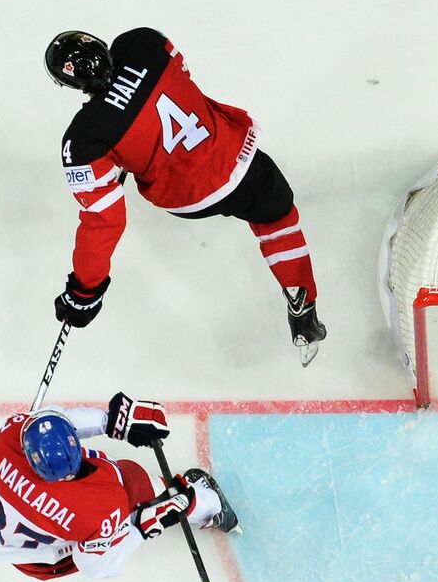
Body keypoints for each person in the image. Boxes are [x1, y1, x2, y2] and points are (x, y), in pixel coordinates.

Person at [44, 29, 327, 365]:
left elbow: (105, 222)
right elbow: (182, 77)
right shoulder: (143, 43)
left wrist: (84, 291)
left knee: (255, 202)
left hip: (187, 199)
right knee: (275, 213)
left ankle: (297, 291)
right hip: (231, 156)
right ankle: (300, 297)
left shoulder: (84, 139)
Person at [0, 393, 238, 581]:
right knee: (134, 481)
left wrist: (111, 421)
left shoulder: (9, 439)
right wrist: (142, 527)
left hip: (2, 535)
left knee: (103, 492)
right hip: (48, 561)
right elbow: (98, 567)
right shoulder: (94, 507)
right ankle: (210, 507)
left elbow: (55, 419)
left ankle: (12, 500)